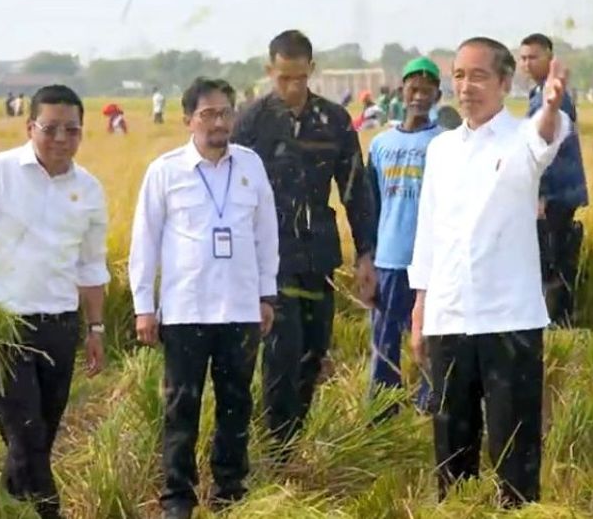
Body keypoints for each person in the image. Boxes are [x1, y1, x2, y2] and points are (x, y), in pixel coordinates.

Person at [408, 37, 572, 508]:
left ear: (505, 82)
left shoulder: (521, 138)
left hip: (509, 322)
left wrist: (553, 105)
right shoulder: (440, 149)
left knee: (514, 452)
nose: (466, 86)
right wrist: (421, 308)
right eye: (459, 76)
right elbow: (429, 234)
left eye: (478, 76)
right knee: (451, 454)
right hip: (449, 319)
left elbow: (545, 136)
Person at [0, 85, 109, 519]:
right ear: (29, 126)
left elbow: (91, 267)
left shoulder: (88, 189)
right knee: (27, 436)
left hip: (59, 326)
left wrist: (96, 329)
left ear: (81, 132)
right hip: (6, 326)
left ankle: (6, 509)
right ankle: (52, 513)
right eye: (50, 129)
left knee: (39, 438)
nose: (60, 139)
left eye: (71, 130)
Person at [129, 77, 279, 519]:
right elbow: (145, 241)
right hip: (185, 310)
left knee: (237, 404)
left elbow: (265, 235)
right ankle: (178, 497)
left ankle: (231, 489)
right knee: (182, 407)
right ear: (187, 120)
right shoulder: (166, 171)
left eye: (225, 112)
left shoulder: (251, 166)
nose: (218, 122)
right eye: (207, 113)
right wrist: (143, 306)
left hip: (239, 309)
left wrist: (265, 295)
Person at [230, 29, 377, 451]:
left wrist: (365, 253)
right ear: (269, 71)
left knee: (313, 355)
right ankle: (277, 450)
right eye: (283, 78)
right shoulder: (251, 122)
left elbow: (355, 189)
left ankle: (292, 437)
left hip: (318, 254)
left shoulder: (333, 121)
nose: (292, 87)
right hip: (268, 261)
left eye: (299, 78)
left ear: (311, 70)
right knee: (281, 352)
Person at [365, 58, 444, 414]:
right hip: (389, 258)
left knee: (431, 336)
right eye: (413, 89)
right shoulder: (380, 145)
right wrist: (366, 255)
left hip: (431, 261)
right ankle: (383, 409)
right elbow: (370, 203)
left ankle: (429, 405)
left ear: (437, 96)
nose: (419, 97)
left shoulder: (444, 144)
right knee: (384, 340)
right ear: (401, 92)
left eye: (427, 91)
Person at [520, 33, 589, 327]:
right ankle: (558, 320)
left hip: (556, 193)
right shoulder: (540, 94)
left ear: (550, 58)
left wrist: (540, 194)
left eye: (533, 57)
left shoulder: (553, 99)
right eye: (523, 58)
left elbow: (549, 151)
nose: (526, 63)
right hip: (558, 192)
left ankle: (557, 323)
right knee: (553, 259)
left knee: (553, 260)